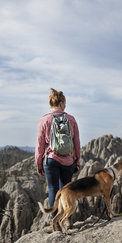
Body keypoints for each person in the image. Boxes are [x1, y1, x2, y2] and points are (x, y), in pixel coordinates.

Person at [35, 88, 81, 220]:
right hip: (68, 161)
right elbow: (76, 142)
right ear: (61, 103)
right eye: (65, 103)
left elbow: (40, 144)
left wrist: (39, 163)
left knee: (53, 190)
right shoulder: (71, 119)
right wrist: (77, 161)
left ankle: (54, 223)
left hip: (51, 160)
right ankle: (66, 221)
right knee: (67, 192)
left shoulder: (44, 120)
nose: (65, 105)